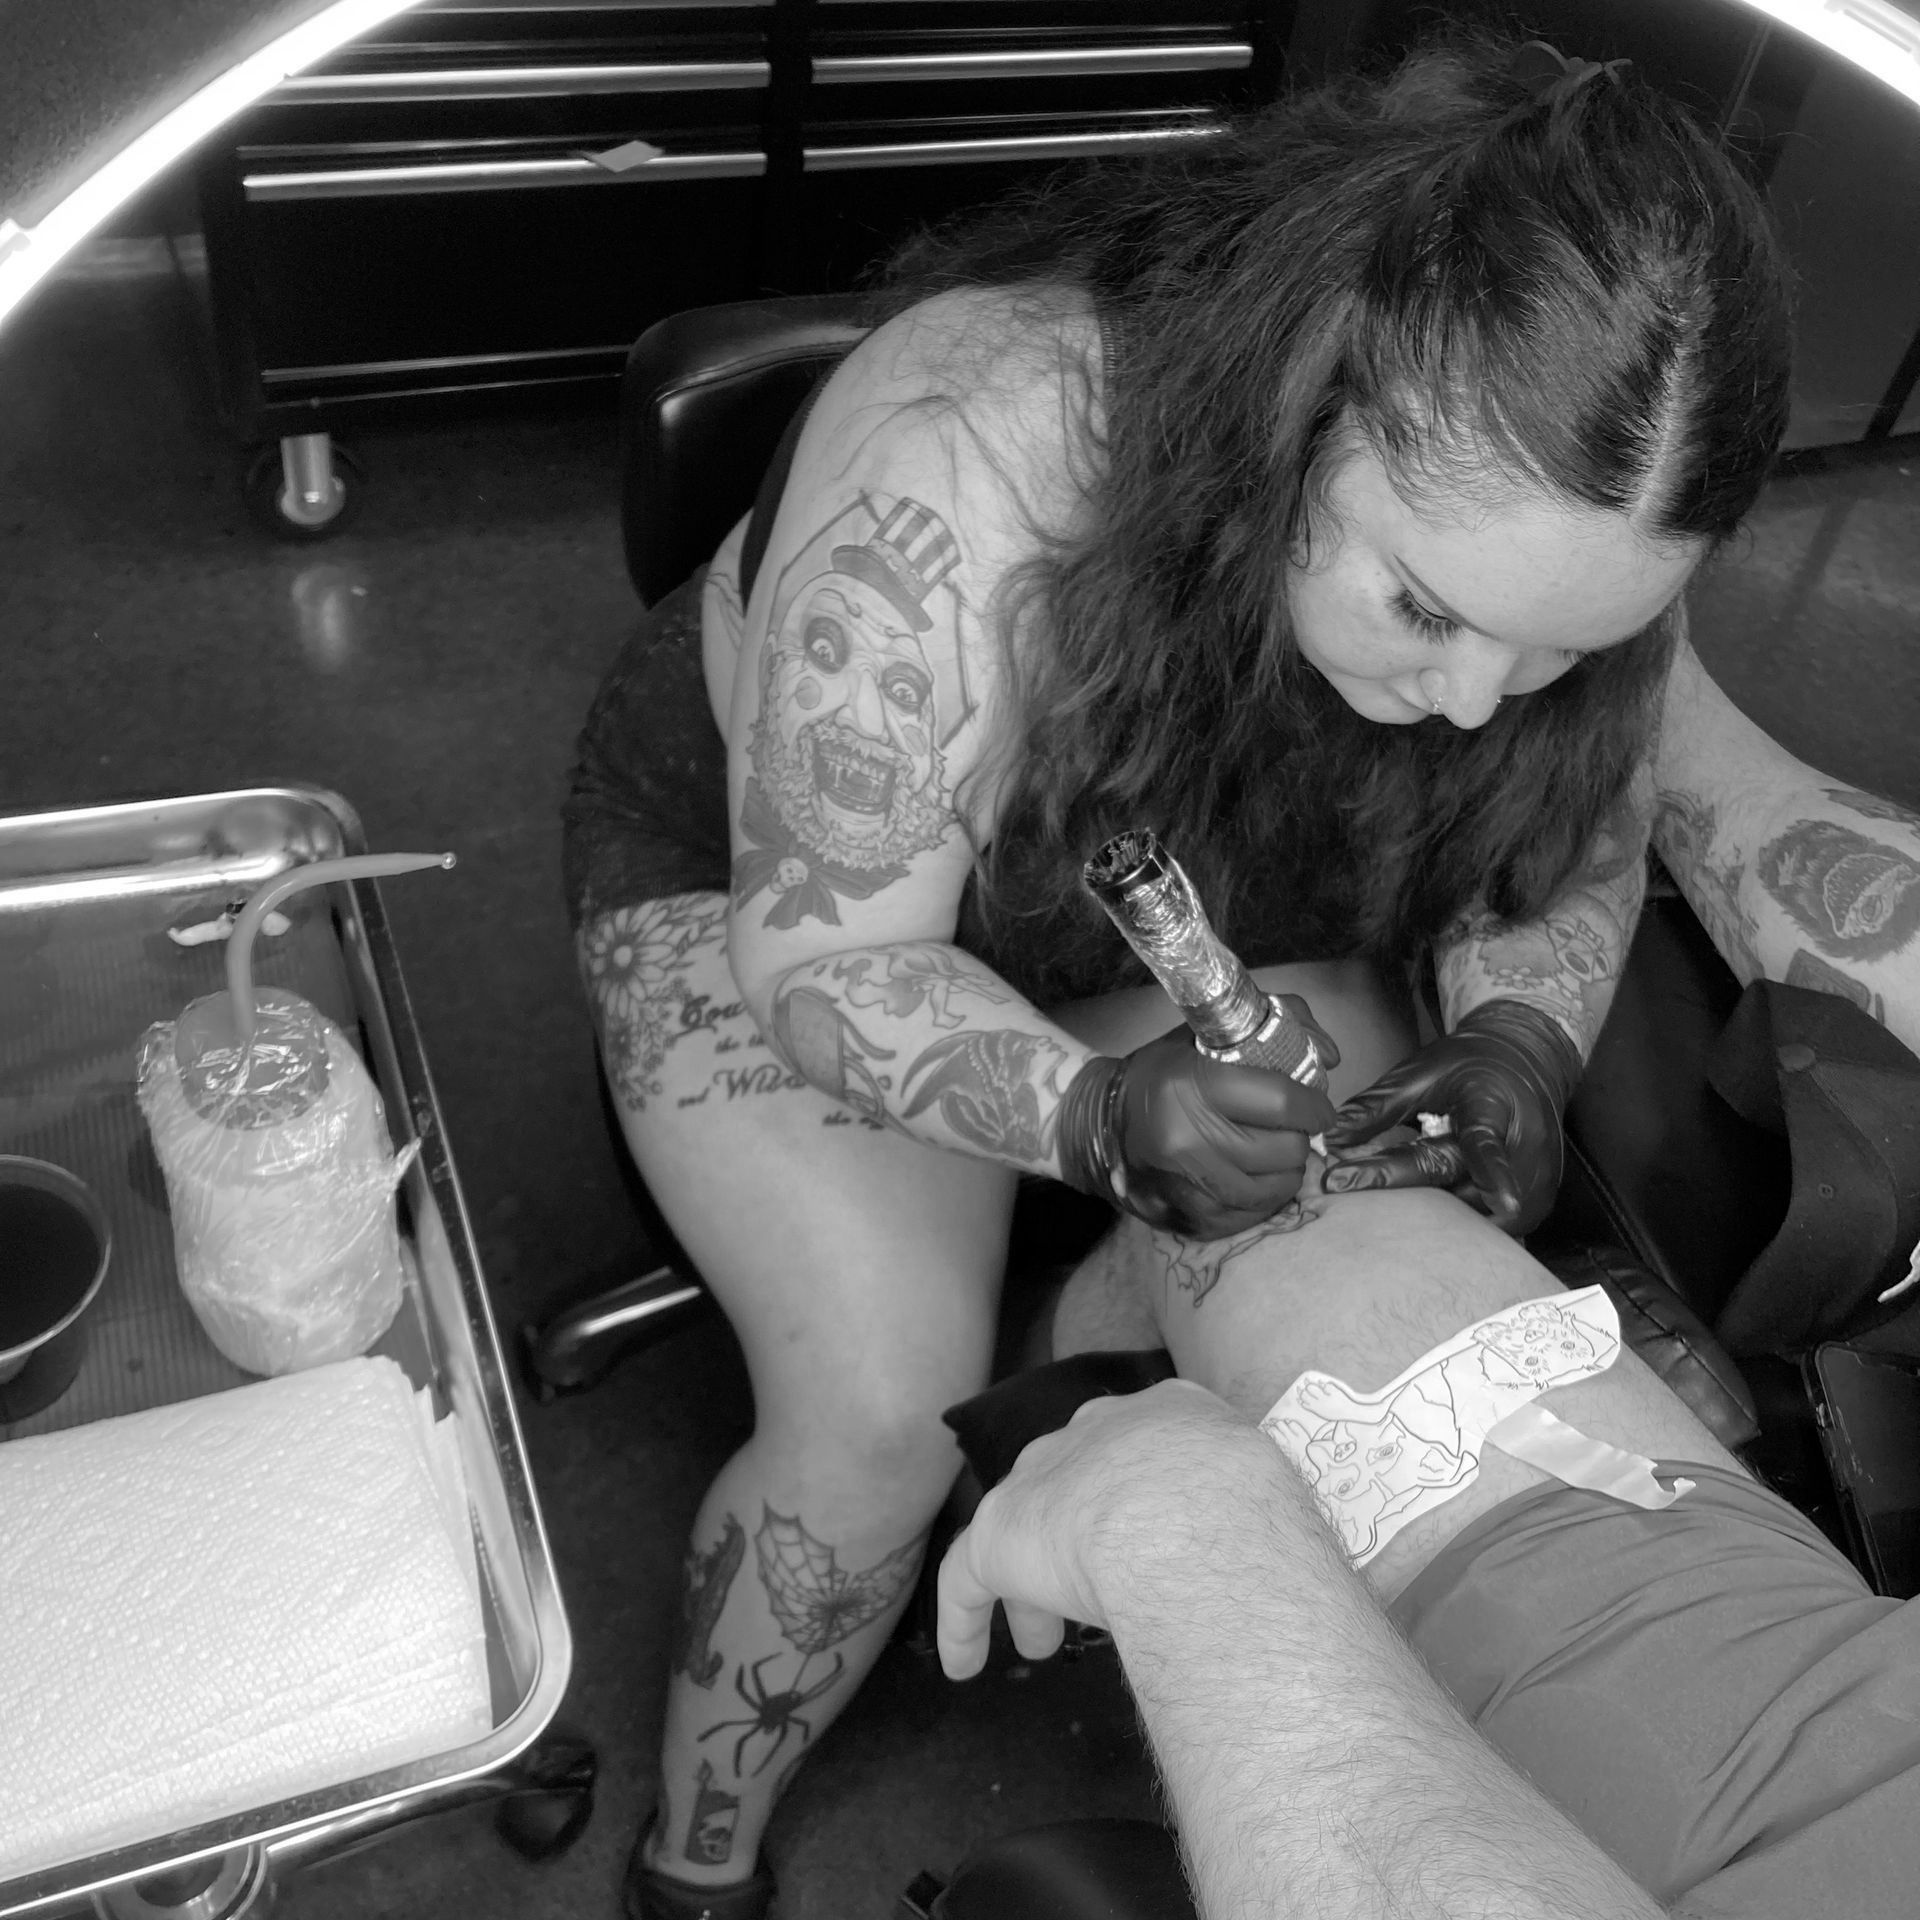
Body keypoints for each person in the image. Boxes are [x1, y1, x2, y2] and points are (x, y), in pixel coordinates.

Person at [560, 32, 1815, 1918]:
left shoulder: (1572, 528)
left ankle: (1079, 1411)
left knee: (1317, 1238)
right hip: (824, 900)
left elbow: (1571, 837)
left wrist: (1517, 1037)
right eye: (1426, 608)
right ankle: (694, 1866)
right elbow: (829, 953)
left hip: (1190, 895)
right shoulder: (979, 437)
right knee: (875, 1419)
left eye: (1553, 651)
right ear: (1310, 397)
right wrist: (1082, 1110)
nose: (1479, 697)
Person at [937, 1182, 1920, 1920]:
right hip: (1828, 1700)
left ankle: (1029, 1428)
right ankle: (1051, 1397)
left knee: (1205, 1203)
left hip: (1521, 1797)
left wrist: (1199, 1548)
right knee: (1239, 1200)